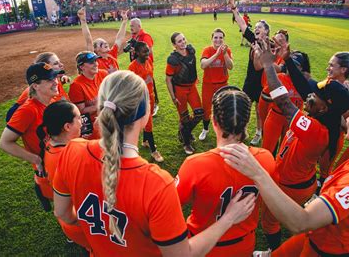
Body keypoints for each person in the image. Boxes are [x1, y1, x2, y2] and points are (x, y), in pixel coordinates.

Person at [53, 71, 256, 256]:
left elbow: (63, 213)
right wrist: (228, 219)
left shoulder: (72, 150)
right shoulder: (156, 183)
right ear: (144, 115)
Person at [221, 95, 349, 257]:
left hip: (326, 250)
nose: (347, 119)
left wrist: (258, 173)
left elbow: (301, 221)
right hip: (316, 236)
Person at [247, 37, 349, 250]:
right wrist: (286, 57)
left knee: (269, 222)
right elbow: (305, 87)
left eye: (316, 96)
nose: (310, 96)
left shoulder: (316, 131)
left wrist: (268, 64)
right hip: (302, 182)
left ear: (323, 108)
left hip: (289, 186)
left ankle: (273, 251)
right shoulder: (324, 116)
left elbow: (284, 102)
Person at [176, 86, 275, 257]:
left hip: (203, 245)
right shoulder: (266, 159)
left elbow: (170, 206)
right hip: (244, 245)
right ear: (246, 121)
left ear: (214, 121)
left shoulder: (195, 165)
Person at [0, 62, 62, 211]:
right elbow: (4, 143)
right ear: (35, 86)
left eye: (55, 77)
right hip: (48, 168)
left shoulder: (52, 101)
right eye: (49, 80)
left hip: (59, 160)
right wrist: (36, 160)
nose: (55, 82)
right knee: (63, 205)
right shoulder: (27, 110)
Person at [36, 101, 90, 250]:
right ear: (67, 127)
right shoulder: (72, 156)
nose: (82, 121)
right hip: (79, 223)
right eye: (79, 118)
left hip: (68, 221)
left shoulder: (49, 144)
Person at [229, 0, 271, 146]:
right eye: (256, 27)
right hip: (249, 81)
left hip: (262, 84)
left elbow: (260, 67)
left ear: (266, 31)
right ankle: (242, 131)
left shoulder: (270, 46)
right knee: (244, 107)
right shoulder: (253, 40)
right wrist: (234, 8)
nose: (257, 29)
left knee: (259, 111)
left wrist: (259, 52)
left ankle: (258, 132)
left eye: (260, 27)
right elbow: (242, 23)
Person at [318, 52, 349, 184]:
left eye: (332, 65)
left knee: (324, 172)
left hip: (333, 137)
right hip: (318, 133)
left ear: (343, 69)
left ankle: (319, 194)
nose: (328, 68)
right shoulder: (329, 83)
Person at [166, 32, 204, 154]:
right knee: (185, 118)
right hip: (180, 90)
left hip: (192, 88)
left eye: (183, 39)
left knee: (199, 114)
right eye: (179, 41)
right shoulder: (173, 59)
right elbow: (168, 79)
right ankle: (186, 144)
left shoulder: (191, 51)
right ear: (174, 44)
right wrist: (173, 97)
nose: (183, 42)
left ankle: (183, 132)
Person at [6, 52, 70, 122]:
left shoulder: (55, 82)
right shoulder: (37, 91)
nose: (61, 65)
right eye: (56, 63)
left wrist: (63, 78)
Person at [128, 41, 164, 162]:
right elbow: (132, 88)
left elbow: (151, 79)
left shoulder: (148, 61)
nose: (147, 53)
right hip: (141, 99)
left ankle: (145, 141)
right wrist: (144, 81)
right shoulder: (132, 67)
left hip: (151, 96)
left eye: (147, 50)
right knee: (148, 124)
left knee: (148, 120)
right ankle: (154, 151)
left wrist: (156, 94)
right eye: (144, 51)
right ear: (137, 53)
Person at [198, 28, 234, 141]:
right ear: (212, 39)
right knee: (206, 107)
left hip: (223, 84)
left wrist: (224, 54)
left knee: (223, 107)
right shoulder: (207, 50)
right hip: (208, 84)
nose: (218, 40)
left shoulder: (227, 50)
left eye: (220, 38)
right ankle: (205, 128)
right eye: (216, 37)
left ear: (223, 39)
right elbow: (203, 65)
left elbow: (230, 66)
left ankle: (222, 129)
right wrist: (216, 54)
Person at [69, 51, 109, 140]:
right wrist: (102, 105)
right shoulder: (76, 86)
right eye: (91, 62)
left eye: (96, 61)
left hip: (109, 119)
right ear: (82, 66)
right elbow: (80, 112)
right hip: (93, 128)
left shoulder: (103, 74)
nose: (96, 64)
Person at [77, 7, 128, 73]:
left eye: (105, 43)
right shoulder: (95, 61)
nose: (105, 44)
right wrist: (83, 20)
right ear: (96, 50)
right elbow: (88, 40)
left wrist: (124, 21)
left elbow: (119, 38)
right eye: (101, 44)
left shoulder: (111, 54)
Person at [129, 17, 159, 117]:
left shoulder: (145, 36)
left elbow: (149, 51)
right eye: (130, 26)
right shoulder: (134, 36)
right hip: (137, 64)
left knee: (149, 84)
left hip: (146, 65)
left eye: (132, 25)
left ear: (139, 26)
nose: (131, 27)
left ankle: (154, 104)